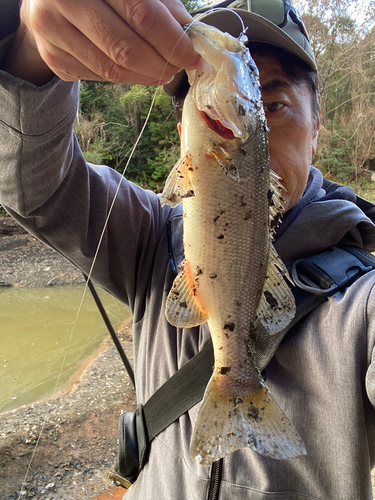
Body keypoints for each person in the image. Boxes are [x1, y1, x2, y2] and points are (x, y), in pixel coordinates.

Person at [1, 0, 375, 498]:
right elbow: (32, 187)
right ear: (186, 133)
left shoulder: (364, 299)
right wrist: (25, 49)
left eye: (274, 103)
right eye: (235, 93)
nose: (252, 108)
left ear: (317, 125)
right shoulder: (149, 236)